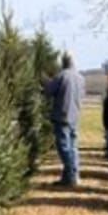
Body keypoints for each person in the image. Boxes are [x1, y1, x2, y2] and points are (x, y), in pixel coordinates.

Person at [43, 52, 86, 188]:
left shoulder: (61, 76)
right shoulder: (80, 78)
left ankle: (73, 175)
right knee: (73, 146)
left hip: (62, 115)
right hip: (75, 116)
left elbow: (49, 91)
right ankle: (69, 176)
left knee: (64, 147)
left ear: (64, 62)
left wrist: (45, 81)